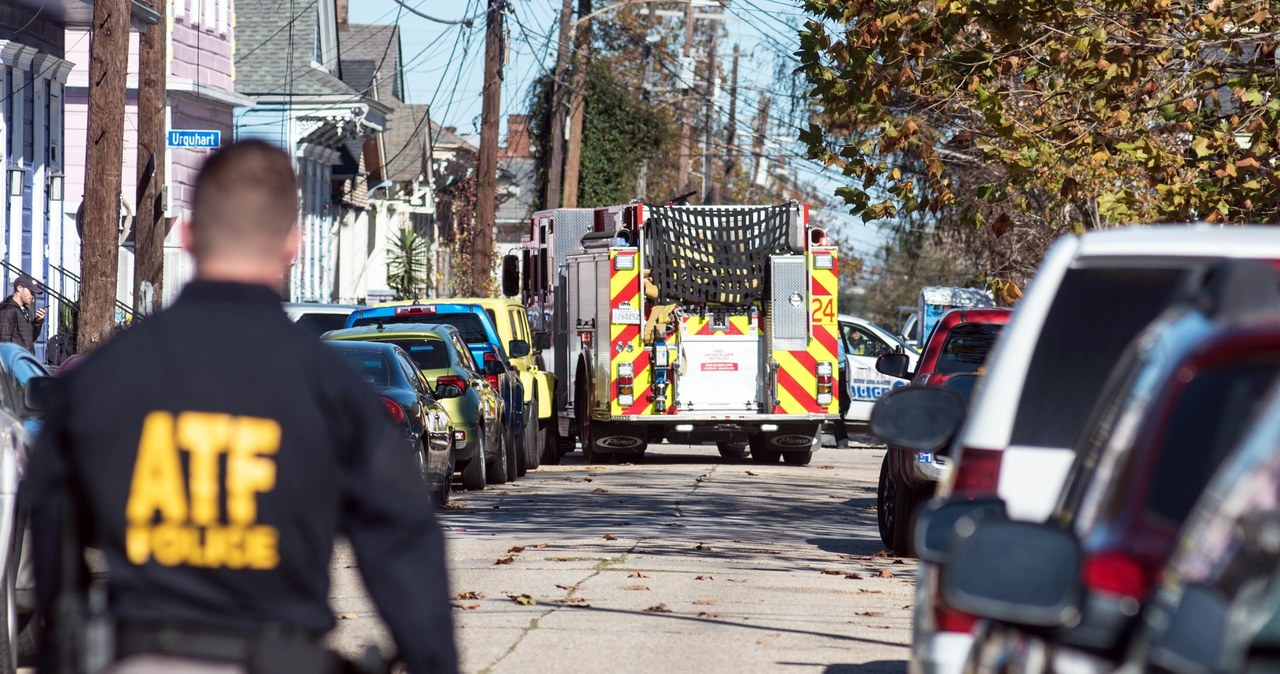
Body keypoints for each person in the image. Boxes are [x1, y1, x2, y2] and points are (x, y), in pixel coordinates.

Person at [21, 140, 458, 674]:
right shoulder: (332, 391)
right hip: (281, 655)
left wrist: (66, 643)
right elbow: (403, 544)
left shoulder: (105, 376)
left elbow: (47, 514)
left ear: (187, 234)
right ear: (292, 245)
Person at [0, 273, 47, 351]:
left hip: (25, 360)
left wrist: (38, 321)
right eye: (31, 292)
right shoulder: (7, 311)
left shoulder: (26, 311)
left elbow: (29, 339)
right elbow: (3, 344)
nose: (33, 296)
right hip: (14, 361)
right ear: (19, 288)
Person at [833, 333, 851, 449]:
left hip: (837, 374)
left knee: (838, 409)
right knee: (839, 409)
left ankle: (842, 440)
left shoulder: (827, 342)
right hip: (842, 374)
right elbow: (851, 354)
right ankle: (842, 440)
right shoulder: (842, 343)